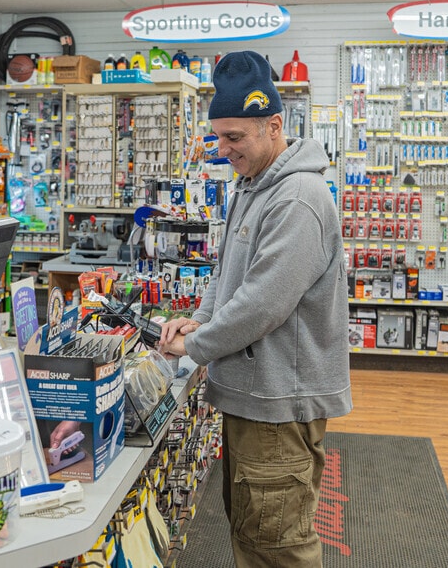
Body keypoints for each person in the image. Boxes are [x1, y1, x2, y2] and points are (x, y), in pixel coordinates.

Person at [158, 51, 352, 567]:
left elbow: (262, 303)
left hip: (277, 404)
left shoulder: (296, 198)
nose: (223, 151)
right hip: (254, 397)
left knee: (276, 549)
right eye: (217, 137)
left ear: (274, 125)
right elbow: (228, 276)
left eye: (235, 138)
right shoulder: (253, 186)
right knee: (254, 533)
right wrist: (199, 317)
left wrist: (196, 345)